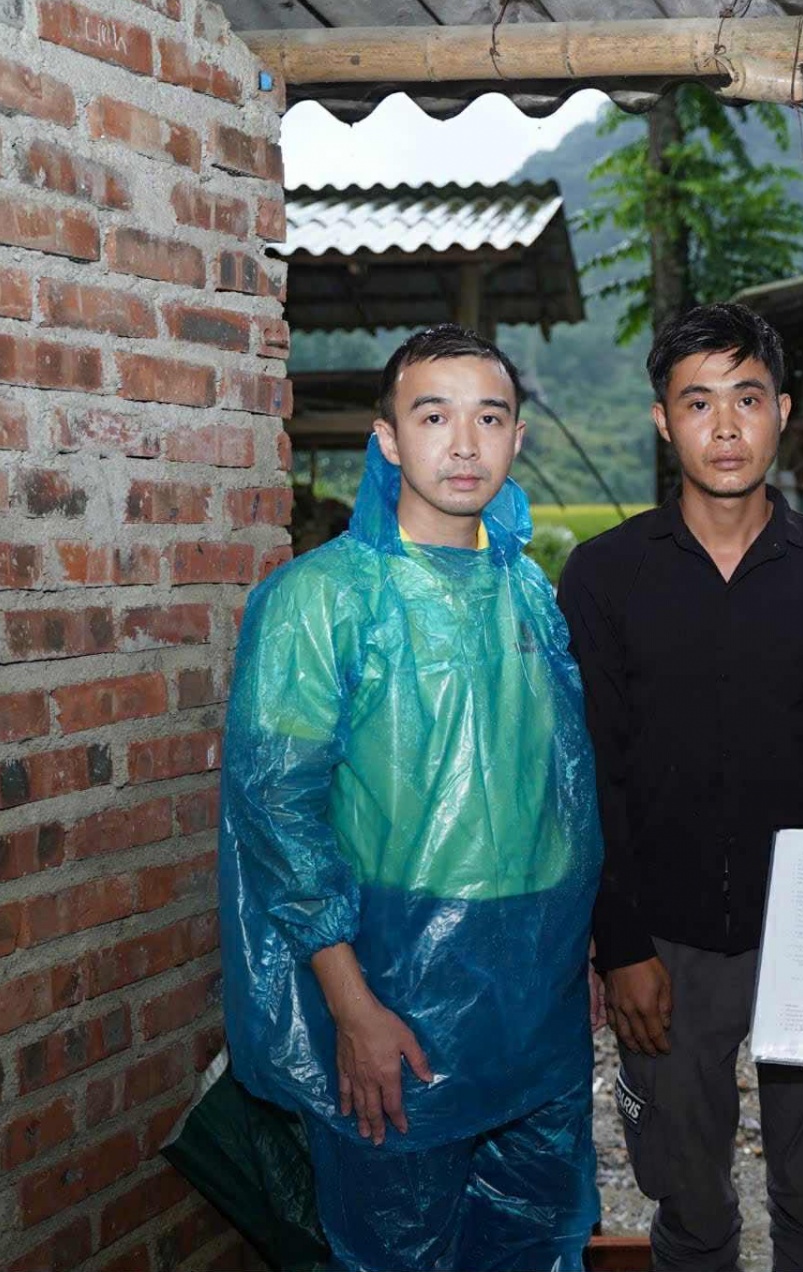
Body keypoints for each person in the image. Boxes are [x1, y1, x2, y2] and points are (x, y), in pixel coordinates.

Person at [219, 325, 604, 1272]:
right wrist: (352, 1007)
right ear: (388, 439)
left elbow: (561, 791)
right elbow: (279, 813)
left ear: (518, 438)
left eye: (490, 418)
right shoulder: (320, 600)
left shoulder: (529, 593)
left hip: (538, 993)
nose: (464, 445)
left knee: (539, 1237)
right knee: (397, 1246)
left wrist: (580, 953)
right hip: (396, 984)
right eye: (434, 417)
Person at [559, 303, 803, 1272]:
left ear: (782, 411)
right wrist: (621, 945)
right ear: (664, 420)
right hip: (666, 939)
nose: (726, 426)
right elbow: (594, 767)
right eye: (698, 403)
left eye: (747, 398)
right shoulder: (605, 574)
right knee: (687, 1197)